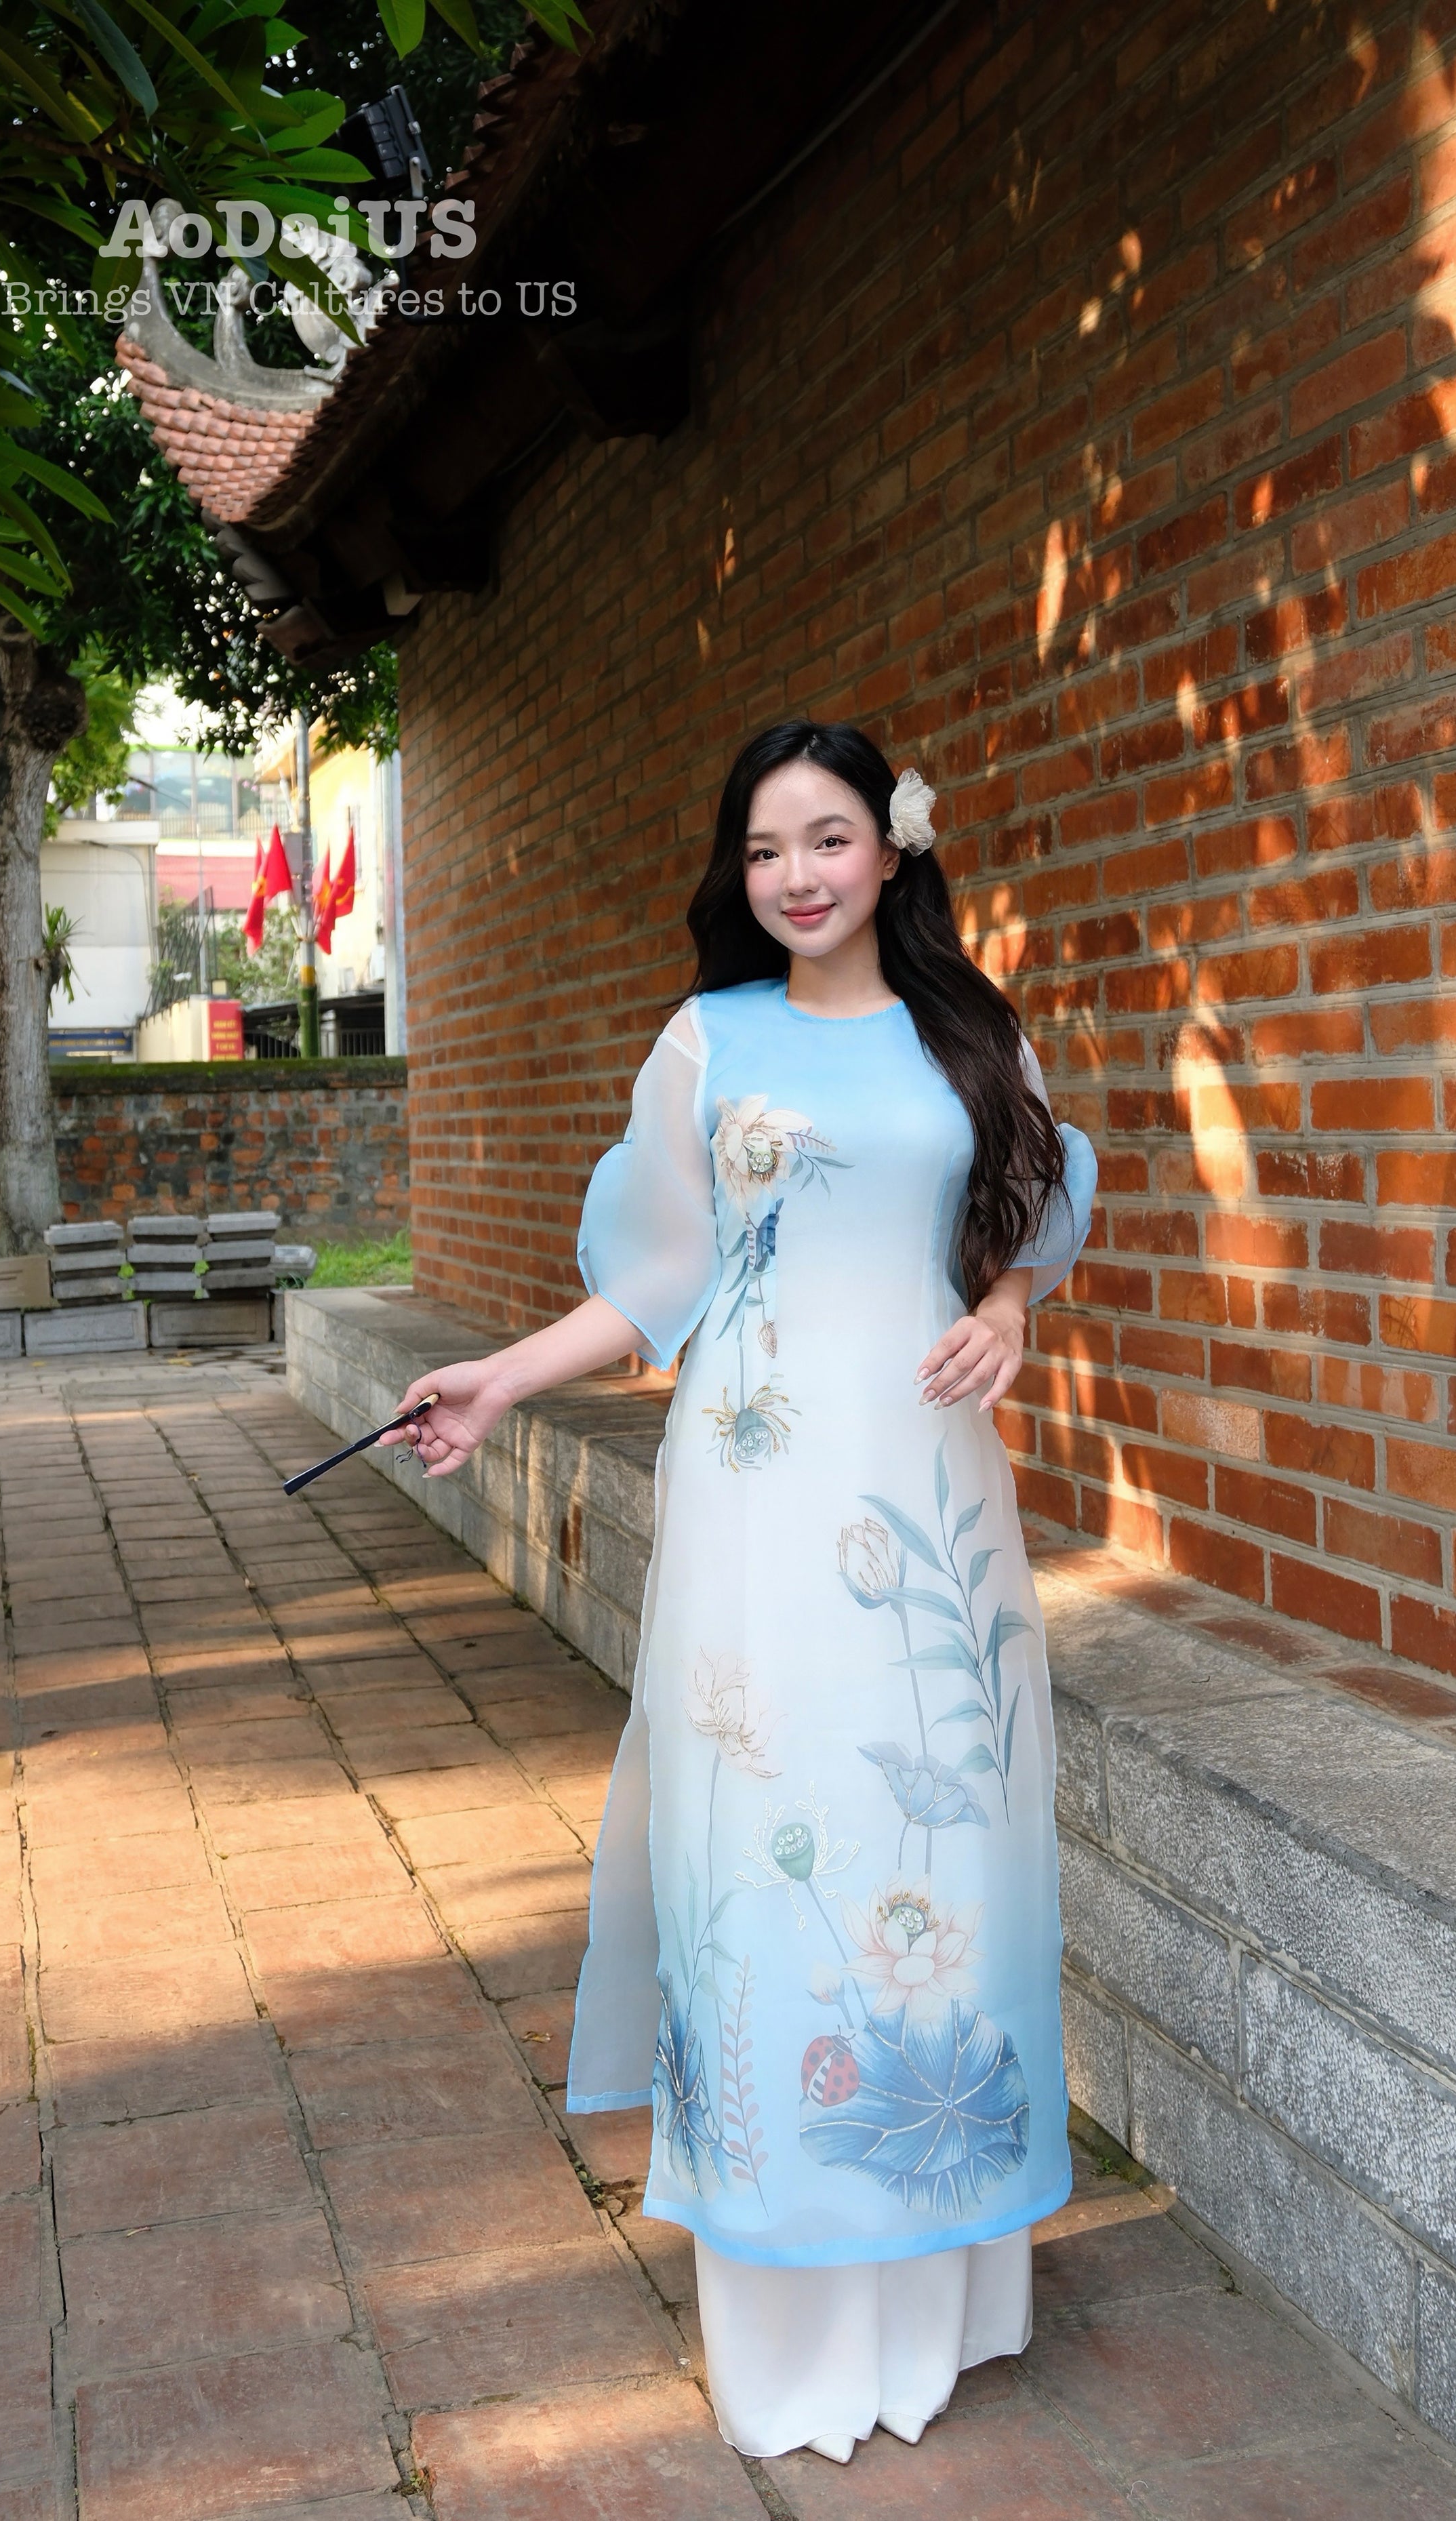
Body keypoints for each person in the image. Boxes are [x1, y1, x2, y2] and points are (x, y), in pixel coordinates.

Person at [382, 721, 1097, 2461]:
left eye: (830, 838)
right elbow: (657, 1281)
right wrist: (497, 1381)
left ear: (893, 851)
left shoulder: (972, 1034)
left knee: (942, 1846)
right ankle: (789, 2311)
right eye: (766, 848)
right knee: (768, 1847)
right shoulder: (709, 1041)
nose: (797, 876)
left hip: (933, 1508)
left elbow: (1035, 1206)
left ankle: (941, 2295)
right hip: (760, 1504)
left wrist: (1007, 1315)